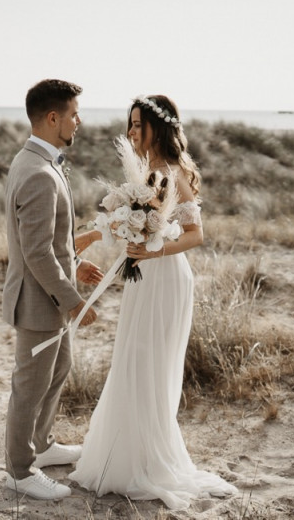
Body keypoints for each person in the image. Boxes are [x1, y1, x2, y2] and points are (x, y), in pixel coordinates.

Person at [69, 95, 238, 509]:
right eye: (129, 124)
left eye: (137, 125)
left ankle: (146, 460)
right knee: (132, 359)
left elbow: (196, 234)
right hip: (143, 277)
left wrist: (152, 252)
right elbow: (128, 223)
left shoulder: (172, 172)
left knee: (150, 364)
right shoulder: (146, 173)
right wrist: (94, 236)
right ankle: (123, 454)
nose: (130, 131)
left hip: (166, 278)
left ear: (156, 128)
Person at [2, 79, 104, 500]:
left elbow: (51, 244)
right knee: (28, 386)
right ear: (52, 117)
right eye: (74, 114)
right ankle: (20, 471)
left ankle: (42, 446)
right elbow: (37, 253)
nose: (78, 122)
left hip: (51, 297)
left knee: (57, 372)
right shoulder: (39, 173)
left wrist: (76, 265)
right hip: (38, 304)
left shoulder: (39, 162)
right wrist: (74, 300)